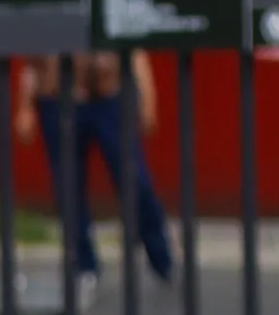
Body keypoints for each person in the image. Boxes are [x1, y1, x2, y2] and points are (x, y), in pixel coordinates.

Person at [36, 46, 175, 283]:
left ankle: (161, 257)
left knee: (135, 180)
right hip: (59, 98)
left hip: (109, 96)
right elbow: (33, 59)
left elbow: (134, 50)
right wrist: (25, 105)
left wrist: (147, 97)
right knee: (68, 187)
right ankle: (83, 264)